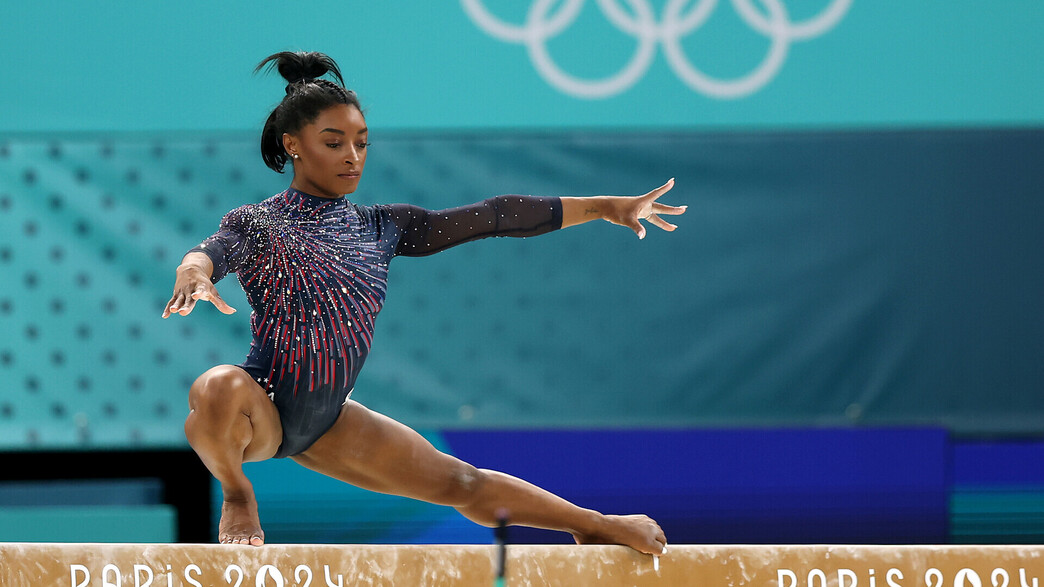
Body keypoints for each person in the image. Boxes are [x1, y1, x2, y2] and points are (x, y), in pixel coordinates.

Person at [162, 51, 686, 555]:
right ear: (293, 145)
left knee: (462, 481)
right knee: (216, 387)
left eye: (362, 143)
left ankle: (592, 526)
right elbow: (209, 252)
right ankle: (236, 491)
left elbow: (495, 216)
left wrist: (604, 207)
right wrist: (193, 274)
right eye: (334, 141)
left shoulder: (383, 225)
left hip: (327, 422)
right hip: (261, 410)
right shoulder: (259, 223)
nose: (352, 156)